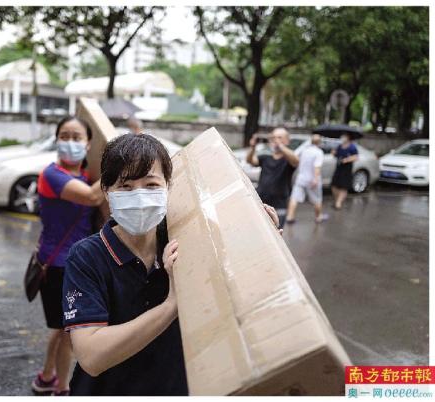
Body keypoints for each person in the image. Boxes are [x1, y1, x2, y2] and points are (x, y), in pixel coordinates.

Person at [61, 133, 281, 396]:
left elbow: (240, 280)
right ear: (107, 191)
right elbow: (91, 356)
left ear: (168, 185)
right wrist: (173, 304)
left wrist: (262, 236)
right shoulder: (86, 257)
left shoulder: (187, 237)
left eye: (151, 185)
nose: (140, 197)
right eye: (126, 186)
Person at [31, 116, 104, 396]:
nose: (70, 142)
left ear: (88, 144)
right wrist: (119, 168)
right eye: (64, 136)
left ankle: (46, 377)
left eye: (77, 137)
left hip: (71, 263)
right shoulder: (52, 175)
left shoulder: (83, 176)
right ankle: (62, 389)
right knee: (69, 331)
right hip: (58, 266)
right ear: (56, 140)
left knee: (61, 328)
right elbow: (92, 197)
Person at [246, 127, 299, 228]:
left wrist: (280, 146)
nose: (275, 140)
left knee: (275, 234)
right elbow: (250, 160)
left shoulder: (288, 160)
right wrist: (252, 147)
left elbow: (296, 161)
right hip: (261, 203)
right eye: (273, 137)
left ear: (287, 141)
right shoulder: (266, 158)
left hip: (279, 206)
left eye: (279, 137)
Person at [286, 134, 328, 223]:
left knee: (294, 197)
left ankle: (290, 217)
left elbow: (295, 155)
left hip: (301, 178)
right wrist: (316, 179)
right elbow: (317, 167)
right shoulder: (318, 152)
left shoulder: (304, 150)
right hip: (312, 179)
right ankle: (318, 217)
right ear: (319, 143)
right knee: (317, 199)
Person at [330, 132, 359, 209]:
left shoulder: (352, 147)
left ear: (348, 137)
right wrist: (333, 153)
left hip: (346, 169)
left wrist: (347, 160)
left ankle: (338, 203)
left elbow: (356, 157)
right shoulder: (340, 146)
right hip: (338, 168)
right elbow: (336, 155)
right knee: (334, 185)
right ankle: (337, 200)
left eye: (344, 136)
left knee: (344, 187)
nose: (342, 137)